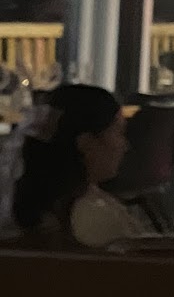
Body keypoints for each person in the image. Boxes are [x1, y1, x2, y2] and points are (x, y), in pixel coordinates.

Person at [0, 84, 147, 247]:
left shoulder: (34, 213)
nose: (125, 146)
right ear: (86, 143)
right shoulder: (91, 218)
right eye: (119, 132)